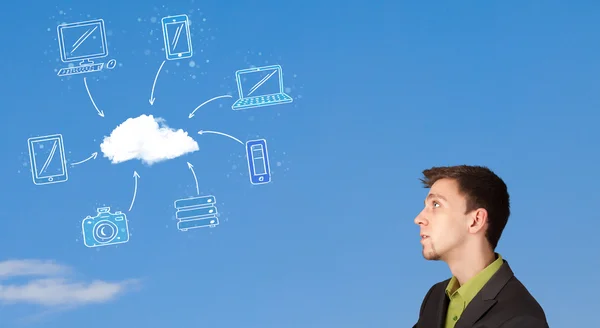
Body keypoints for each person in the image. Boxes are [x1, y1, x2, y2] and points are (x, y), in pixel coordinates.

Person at [412, 165, 549, 328]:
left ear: (476, 220)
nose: (419, 218)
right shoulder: (436, 297)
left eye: (436, 204)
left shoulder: (521, 318)